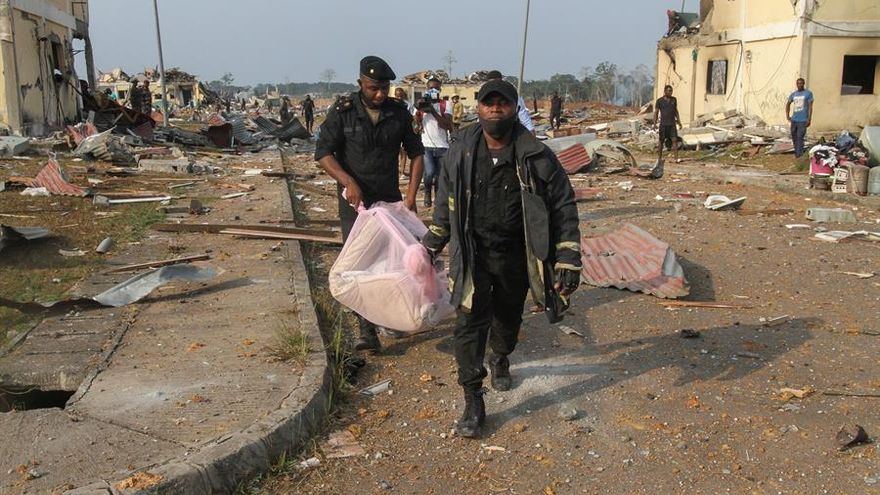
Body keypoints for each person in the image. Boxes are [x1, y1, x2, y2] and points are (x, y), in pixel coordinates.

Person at [421, 80, 582, 438]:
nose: (496, 109)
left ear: (513, 108)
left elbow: (562, 206)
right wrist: (434, 239)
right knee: (468, 324)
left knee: (508, 319)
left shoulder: (535, 154)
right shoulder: (461, 149)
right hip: (472, 253)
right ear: (478, 108)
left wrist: (568, 257)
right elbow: (446, 196)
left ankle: (500, 355)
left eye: (503, 103)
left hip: (516, 256)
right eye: (488, 102)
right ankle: (473, 398)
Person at [315, 55, 425, 352]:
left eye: (384, 88)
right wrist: (347, 180)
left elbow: (417, 154)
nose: (379, 94)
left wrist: (412, 196)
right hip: (356, 205)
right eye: (373, 88)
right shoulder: (343, 113)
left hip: (389, 200)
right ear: (361, 83)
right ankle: (367, 331)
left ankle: (392, 316)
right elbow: (324, 152)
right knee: (360, 264)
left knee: (393, 261)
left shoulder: (398, 113)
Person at [414, 75, 453, 207]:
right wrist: (420, 112)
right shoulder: (422, 103)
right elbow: (416, 124)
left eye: (436, 88)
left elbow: (447, 125)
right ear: (427, 89)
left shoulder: (445, 104)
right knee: (429, 173)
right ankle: (427, 192)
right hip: (426, 145)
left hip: (442, 145)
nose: (433, 91)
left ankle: (438, 199)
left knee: (440, 176)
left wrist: (433, 112)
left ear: (440, 89)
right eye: (431, 88)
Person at [785, 78, 813, 158]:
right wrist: (787, 115)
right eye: (798, 83)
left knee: (800, 136)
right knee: (794, 136)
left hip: (803, 119)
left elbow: (810, 107)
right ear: (796, 84)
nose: (799, 85)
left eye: (801, 83)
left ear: (803, 84)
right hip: (794, 119)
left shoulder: (808, 93)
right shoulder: (794, 94)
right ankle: (797, 151)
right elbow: (788, 104)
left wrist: (809, 118)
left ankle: (799, 154)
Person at [653, 85, 682, 162]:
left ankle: (676, 158)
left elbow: (676, 111)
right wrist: (655, 123)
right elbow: (656, 112)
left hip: (672, 124)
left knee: (674, 140)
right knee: (661, 141)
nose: (670, 92)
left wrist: (679, 121)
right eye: (668, 91)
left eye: (671, 91)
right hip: (663, 124)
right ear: (665, 91)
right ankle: (659, 158)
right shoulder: (659, 101)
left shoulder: (674, 100)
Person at [394, 87, 413, 175]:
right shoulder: (391, 105)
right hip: (394, 131)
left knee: (403, 153)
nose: (399, 98)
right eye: (397, 96)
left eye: (401, 96)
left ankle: (402, 171)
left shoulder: (408, 105)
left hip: (404, 131)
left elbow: (412, 118)